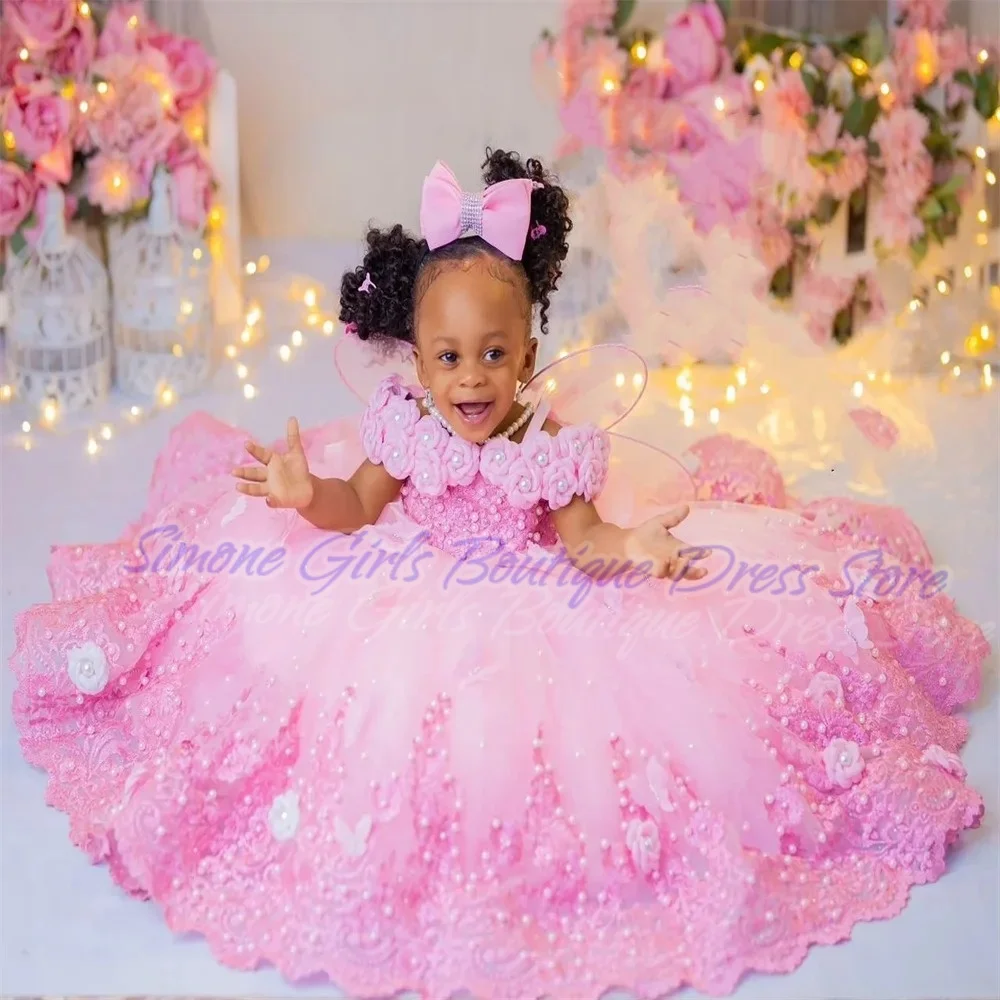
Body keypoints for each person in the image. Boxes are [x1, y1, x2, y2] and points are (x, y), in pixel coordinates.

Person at [9, 149, 987, 998]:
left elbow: (583, 538)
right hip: (406, 592)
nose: (471, 377)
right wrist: (306, 493)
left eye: (492, 353)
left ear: (527, 354)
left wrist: (635, 547)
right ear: (416, 361)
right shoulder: (404, 431)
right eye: (448, 357)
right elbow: (357, 507)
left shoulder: (545, 449)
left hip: (528, 605)